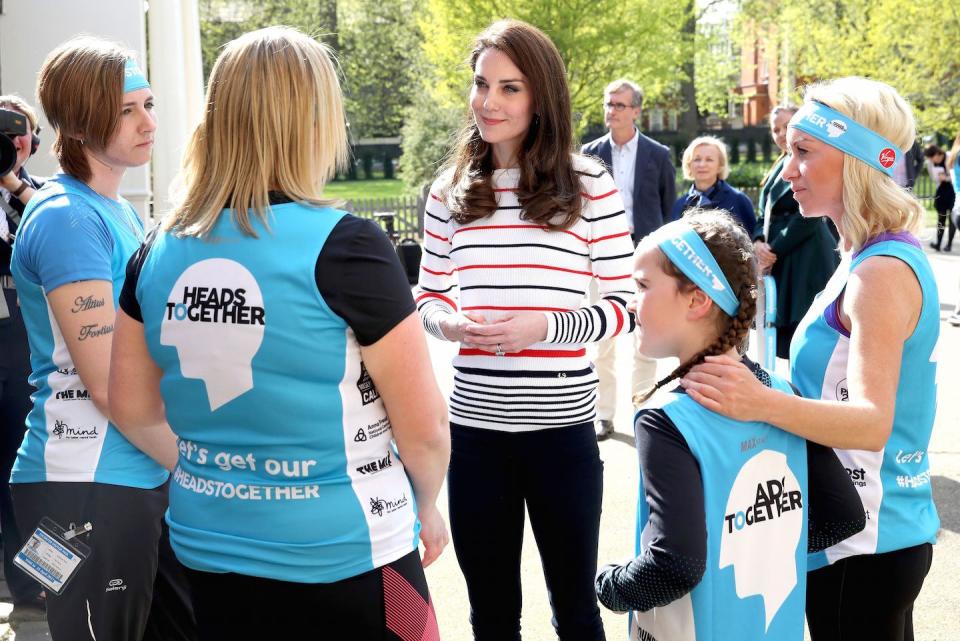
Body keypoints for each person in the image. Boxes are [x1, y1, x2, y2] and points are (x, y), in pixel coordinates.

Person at [108, 27, 449, 641]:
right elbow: (423, 432)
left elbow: (132, 408)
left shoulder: (154, 249)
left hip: (209, 551)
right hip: (351, 555)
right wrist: (426, 504)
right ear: (312, 121)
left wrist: (221, 475)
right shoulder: (348, 246)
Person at [681, 77, 940, 641]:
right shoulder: (865, 257)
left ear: (856, 162)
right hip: (862, 534)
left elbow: (872, 423)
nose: (788, 169)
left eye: (803, 152)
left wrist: (760, 401)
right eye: (786, 151)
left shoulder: (880, 271)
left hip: (866, 540)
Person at [417, 20, 635, 640]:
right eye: (482, 85)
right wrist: (451, 323)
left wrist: (550, 325)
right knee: (490, 614)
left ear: (541, 97)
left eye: (510, 88)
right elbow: (428, 295)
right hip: (475, 437)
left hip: (562, 435)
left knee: (575, 608)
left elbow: (626, 304)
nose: (489, 102)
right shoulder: (448, 190)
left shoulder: (589, 184)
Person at [595, 209, 865, 640]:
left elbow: (675, 565)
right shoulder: (781, 395)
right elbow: (843, 517)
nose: (631, 301)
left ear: (698, 300)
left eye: (643, 286)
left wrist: (610, 586)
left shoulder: (667, 418)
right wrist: (763, 549)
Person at [9, 37, 197, 640]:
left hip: (129, 475)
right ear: (82, 121)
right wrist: (198, 468)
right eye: (127, 110)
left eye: (149, 104)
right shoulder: (68, 219)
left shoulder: (113, 210)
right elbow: (110, 381)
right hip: (82, 484)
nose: (150, 122)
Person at [581, 78, 674, 440]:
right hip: (598, 255)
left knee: (645, 338)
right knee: (601, 338)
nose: (612, 111)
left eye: (620, 105)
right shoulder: (588, 154)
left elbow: (668, 209)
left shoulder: (658, 154)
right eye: (608, 104)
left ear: (636, 111)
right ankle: (603, 414)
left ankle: (643, 411)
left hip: (644, 254)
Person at [0, 94, 46, 616]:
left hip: (21, 353)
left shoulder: (44, 198)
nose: (14, 141)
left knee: (26, 476)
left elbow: (40, 247)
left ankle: (33, 585)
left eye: (21, 132)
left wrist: (13, 184)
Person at [754, 105, 840, 359]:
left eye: (787, 126)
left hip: (805, 256)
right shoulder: (779, 164)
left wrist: (774, 249)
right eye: (776, 129)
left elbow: (810, 215)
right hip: (779, 257)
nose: (781, 133)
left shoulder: (813, 161)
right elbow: (764, 210)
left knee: (804, 338)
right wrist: (759, 241)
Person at [671, 135, 757, 235]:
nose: (702, 164)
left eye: (709, 160)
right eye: (697, 159)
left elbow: (751, 244)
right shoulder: (679, 205)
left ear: (720, 166)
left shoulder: (739, 200)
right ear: (689, 165)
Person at [923, 143, 955, 251]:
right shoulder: (930, 163)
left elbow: (956, 175)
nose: (931, 161)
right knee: (941, 218)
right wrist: (939, 178)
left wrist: (946, 178)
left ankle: (949, 245)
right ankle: (938, 243)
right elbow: (933, 178)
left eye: (932, 158)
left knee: (952, 218)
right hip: (941, 191)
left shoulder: (950, 156)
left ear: (937, 154)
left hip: (953, 191)